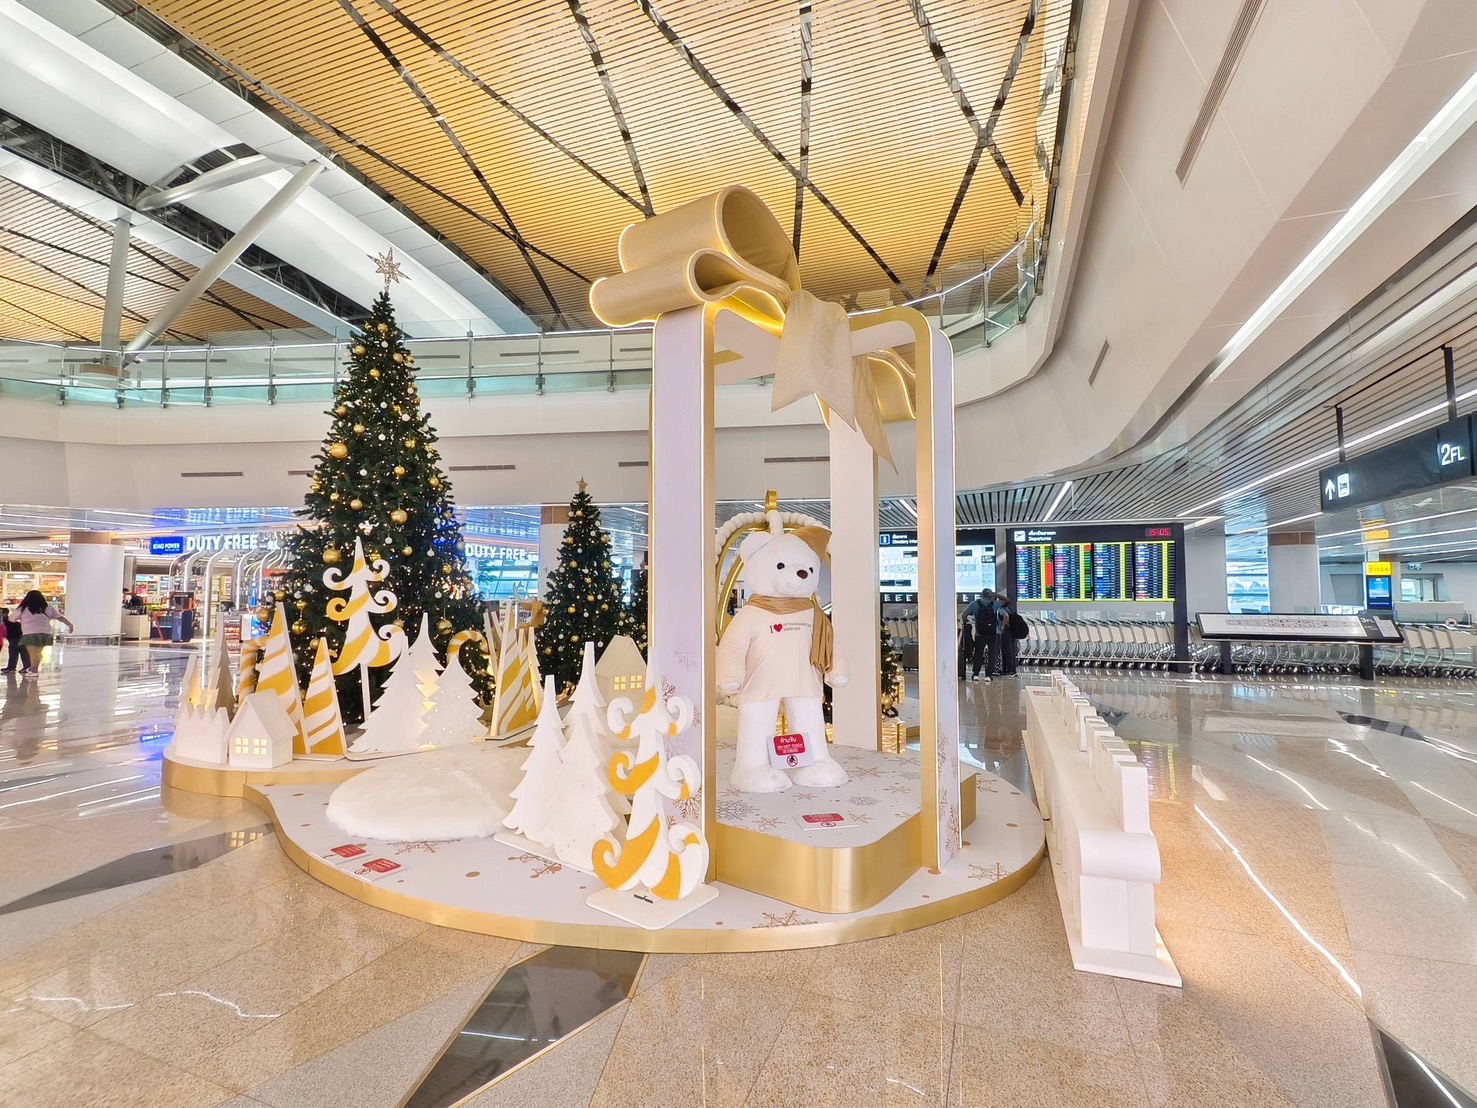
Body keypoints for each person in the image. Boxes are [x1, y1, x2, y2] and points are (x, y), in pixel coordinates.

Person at [12, 590, 73, 679]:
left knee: (33, 653)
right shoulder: (48, 608)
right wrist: (70, 625)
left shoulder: (22, 609)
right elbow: (60, 617)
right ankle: (33, 669)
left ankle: (34, 671)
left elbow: (11, 619)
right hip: (45, 634)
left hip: (30, 634)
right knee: (38, 653)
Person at [963, 591, 994, 681]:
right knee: (992, 654)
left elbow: (964, 615)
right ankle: (988, 675)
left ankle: (976, 674)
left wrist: (966, 624)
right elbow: (1007, 601)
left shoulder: (974, 604)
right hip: (992, 633)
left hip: (979, 633)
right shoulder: (994, 604)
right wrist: (995, 595)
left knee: (978, 653)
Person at [997, 592, 1019, 676]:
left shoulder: (1001, 610)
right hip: (1010, 632)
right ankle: (1011, 670)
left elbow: (1006, 617)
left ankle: (1010, 671)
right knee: (1010, 651)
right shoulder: (1007, 609)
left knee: (1007, 651)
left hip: (1006, 632)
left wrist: (1002, 627)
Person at [0, 607, 16, 674]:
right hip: (1, 642)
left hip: (12, 638)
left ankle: (11, 667)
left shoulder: (5, 621)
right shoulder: (3, 623)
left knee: (13, 651)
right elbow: (4, 634)